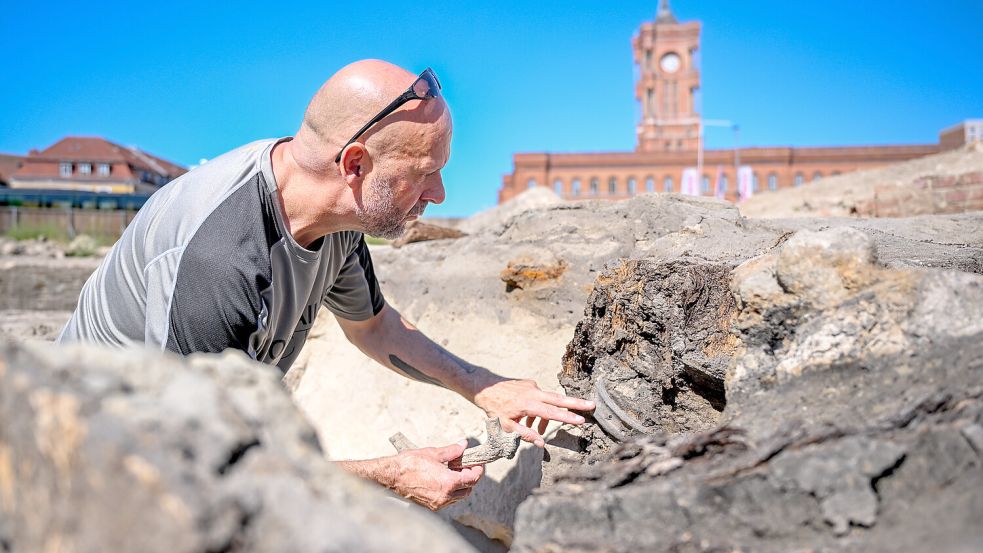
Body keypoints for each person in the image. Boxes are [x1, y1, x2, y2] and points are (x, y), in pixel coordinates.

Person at [58, 59, 595, 510]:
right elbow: (196, 466)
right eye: (425, 171)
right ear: (354, 163)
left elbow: (375, 327)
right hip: (92, 474)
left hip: (191, 451)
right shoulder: (221, 258)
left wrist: (481, 385)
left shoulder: (332, 215)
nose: (440, 194)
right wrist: (391, 476)